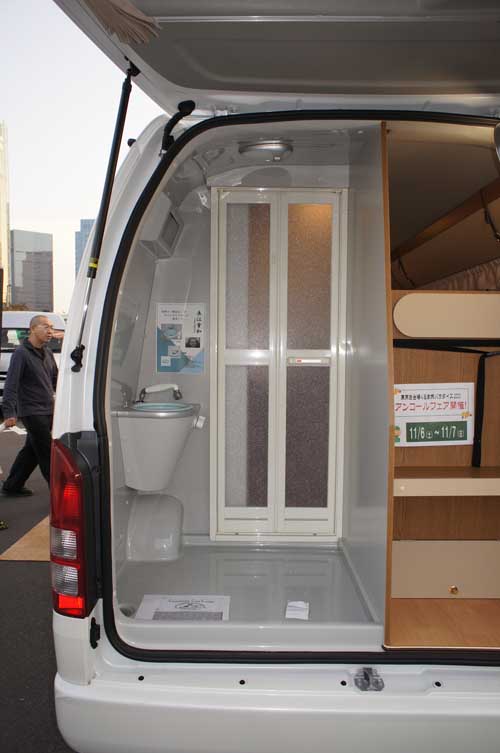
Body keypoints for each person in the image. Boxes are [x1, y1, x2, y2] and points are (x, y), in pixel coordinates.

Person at [1, 314, 58, 496]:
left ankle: (13, 486)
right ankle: (59, 495)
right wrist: (9, 412)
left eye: (51, 327)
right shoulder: (21, 354)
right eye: (45, 327)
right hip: (31, 411)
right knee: (47, 453)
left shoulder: (48, 352)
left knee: (32, 451)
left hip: (48, 409)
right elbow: (11, 385)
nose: (50, 331)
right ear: (32, 329)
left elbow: (55, 380)